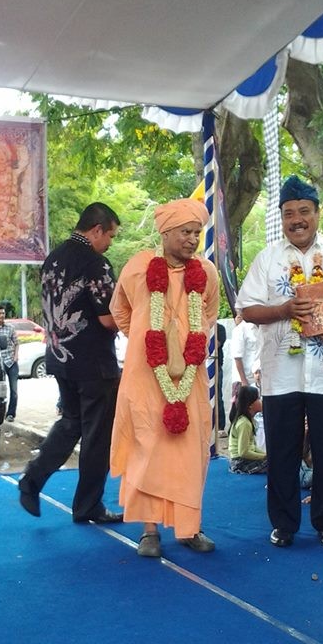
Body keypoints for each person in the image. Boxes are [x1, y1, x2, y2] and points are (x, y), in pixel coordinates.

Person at [237, 174, 323, 549]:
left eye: (303, 211)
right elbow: (246, 309)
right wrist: (284, 309)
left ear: (317, 214)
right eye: (288, 213)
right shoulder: (267, 258)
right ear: (281, 219)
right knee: (281, 449)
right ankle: (283, 524)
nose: (296, 219)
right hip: (281, 372)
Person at [109, 198, 220, 558]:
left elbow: (210, 314)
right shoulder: (138, 268)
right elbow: (119, 310)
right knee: (147, 447)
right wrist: (147, 340)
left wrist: (185, 345)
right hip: (146, 376)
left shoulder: (207, 272)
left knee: (190, 451)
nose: (192, 240)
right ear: (166, 232)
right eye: (186, 232)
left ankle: (189, 529)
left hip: (190, 376)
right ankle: (149, 531)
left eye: (197, 233)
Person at [17, 202, 123, 524]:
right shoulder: (96, 264)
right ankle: (88, 505)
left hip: (60, 357)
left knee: (70, 424)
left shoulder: (52, 259)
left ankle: (32, 479)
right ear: (96, 230)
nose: (110, 243)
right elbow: (108, 319)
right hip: (94, 364)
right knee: (97, 436)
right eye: (111, 236)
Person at [0, 305, 19, 422]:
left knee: (14, 389)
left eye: (3, 313)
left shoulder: (10, 328)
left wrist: (16, 356)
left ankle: (11, 413)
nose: (2, 315)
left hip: (11, 362)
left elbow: (16, 343)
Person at [228, 384, 267, 474]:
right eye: (258, 399)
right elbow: (243, 452)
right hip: (240, 463)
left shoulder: (249, 421)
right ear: (250, 405)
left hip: (243, 460)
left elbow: (252, 447)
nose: (260, 401)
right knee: (276, 464)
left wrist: (265, 455)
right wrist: (264, 456)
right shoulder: (244, 423)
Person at [230, 312, 262, 402]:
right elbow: (237, 357)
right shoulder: (241, 329)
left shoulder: (262, 328)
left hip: (258, 381)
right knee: (242, 414)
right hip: (243, 381)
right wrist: (244, 382)